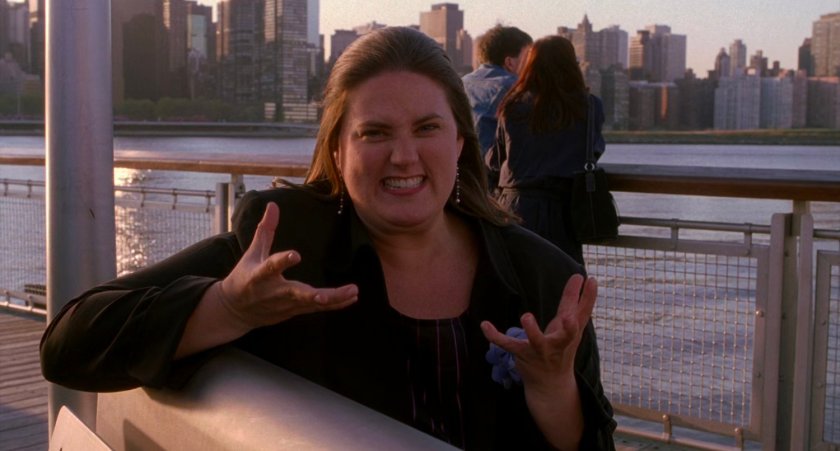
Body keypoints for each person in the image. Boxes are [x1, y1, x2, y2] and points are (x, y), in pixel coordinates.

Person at [41, 27, 615, 450]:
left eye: (427, 128)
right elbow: (68, 344)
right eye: (374, 133)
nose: (404, 155)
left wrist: (553, 391)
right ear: (337, 151)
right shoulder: (286, 244)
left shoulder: (542, 278)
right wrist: (227, 308)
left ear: (461, 143)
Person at [486, 35, 606, 266]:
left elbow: (495, 160)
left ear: (531, 64)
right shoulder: (589, 106)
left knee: (514, 283)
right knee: (562, 286)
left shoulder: (512, 105)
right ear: (571, 64)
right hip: (562, 211)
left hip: (513, 205)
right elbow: (593, 151)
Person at [462, 25, 532, 157]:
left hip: (459, 169)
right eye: (528, 56)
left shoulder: (461, 83)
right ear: (509, 62)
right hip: (491, 170)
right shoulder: (514, 87)